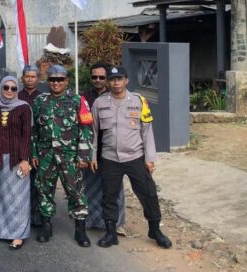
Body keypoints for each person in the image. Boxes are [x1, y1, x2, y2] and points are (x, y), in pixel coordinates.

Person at [91, 66, 172, 249]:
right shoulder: (99, 103)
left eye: (120, 78)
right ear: (108, 82)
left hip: (135, 157)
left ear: (126, 80)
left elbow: (147, 131)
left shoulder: (139, 101)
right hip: (109, 158)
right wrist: (93, 155)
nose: (116, 82)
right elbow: (94, 132)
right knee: (109, 196)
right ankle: (111, 232)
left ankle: (155, 230)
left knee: (148, 193)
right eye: (112, 79)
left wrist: (149, 159)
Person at [31, 65, 92, 247]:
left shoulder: (78, 100)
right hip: (45, 156)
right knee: (44, 190)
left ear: (66, 81)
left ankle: (80, 230)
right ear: (47, 81)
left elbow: (86, 129)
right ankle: (46, 226)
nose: (56, 83)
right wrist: (34, 153)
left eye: (59, 79)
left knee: (76, 192)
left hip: (69, 156)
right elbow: (33, 129)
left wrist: (83, 155)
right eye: (52, 79)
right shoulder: (40, 101)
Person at [81, 62, 127, 231]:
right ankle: (91, 221)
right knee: (89, 185)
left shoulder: (116, 95)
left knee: (113, 186)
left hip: (111, 149)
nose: (98, 80)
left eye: (102, 77)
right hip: (89, 148)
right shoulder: (84, 97)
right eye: (94, 77)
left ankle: (116, 223)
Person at [0, 77, 32, 250]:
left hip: (17, 158)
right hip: (1, 159)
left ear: (17, 90)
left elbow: (26, 135)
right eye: (6, 87)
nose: (9, 91)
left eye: (13, 88)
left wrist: (24, 159)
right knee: (5, 195)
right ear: (1, 88)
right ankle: (6, 228)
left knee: (19, 197)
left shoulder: (24, 108)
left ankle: (18, 234)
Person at [17, 64, 43, 227]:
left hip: (40, 146)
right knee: (20, 182)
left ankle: (38, 217)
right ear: (22, 78)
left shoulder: (44, 97)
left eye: (33, 76)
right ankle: (21, 217)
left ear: (38, 79)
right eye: (27, 76)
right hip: (20, 144)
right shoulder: (16, 96)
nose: (30, 79)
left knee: (38, 183)